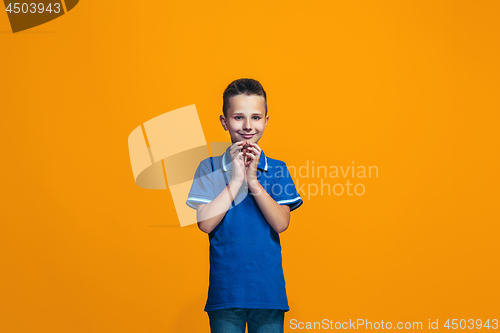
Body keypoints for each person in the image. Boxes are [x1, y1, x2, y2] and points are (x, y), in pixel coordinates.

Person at [186, 78, 303, 333]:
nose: (248, 126)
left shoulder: (277, 169)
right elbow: (205, 223)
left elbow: (281, 223)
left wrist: (253, 181)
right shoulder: (210, 168)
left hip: (268, 291)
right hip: (225, 292)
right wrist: (236, 179)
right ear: (224, 121)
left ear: (266, 121)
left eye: (256, 117)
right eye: (238, 117)